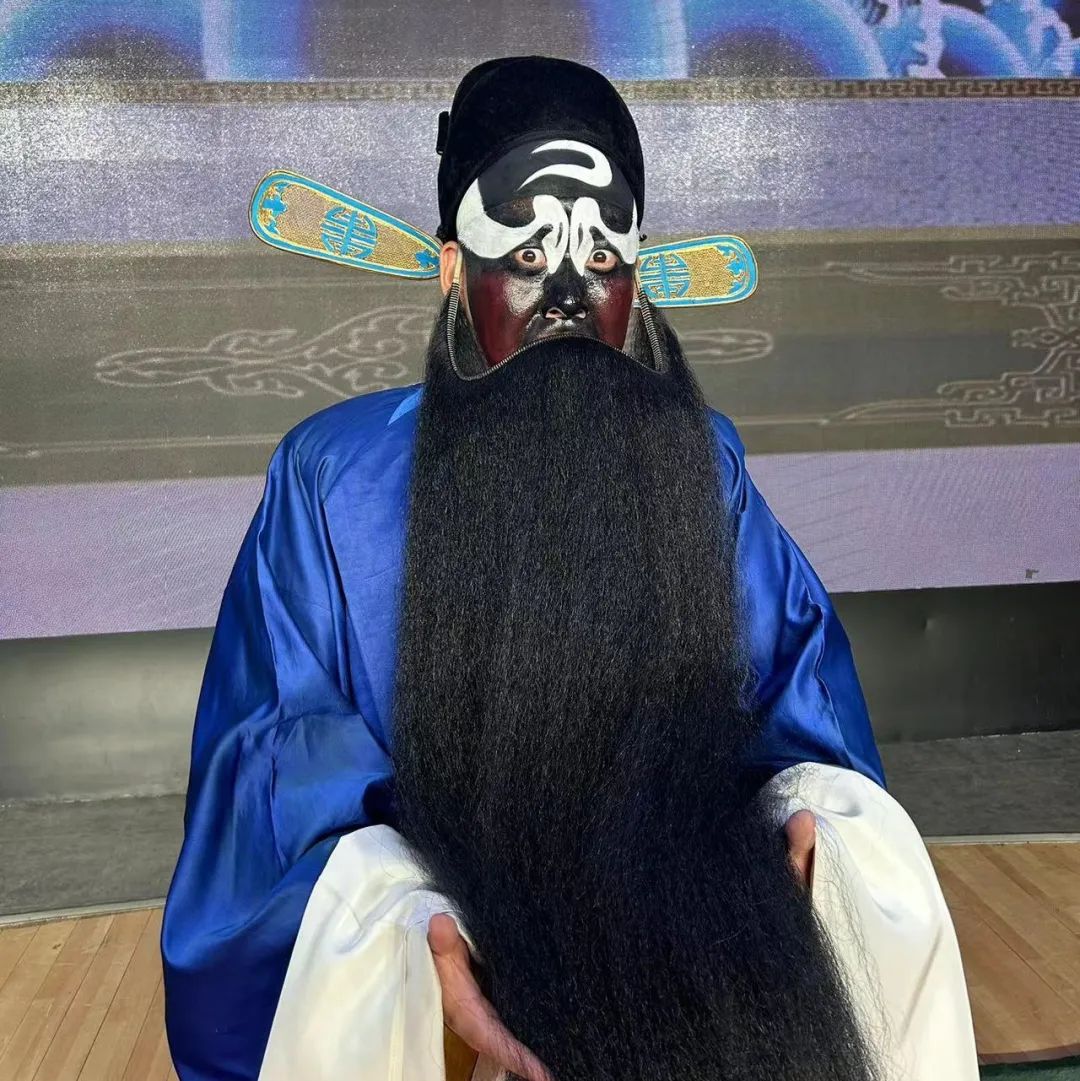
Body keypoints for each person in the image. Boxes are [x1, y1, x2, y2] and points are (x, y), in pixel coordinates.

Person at [162, 56, 974, 1081]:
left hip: (678, 942)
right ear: (451, 269)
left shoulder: (701, 463)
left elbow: (796, 703)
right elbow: (279, 762)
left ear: (638, 279)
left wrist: (815, 825)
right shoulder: (334, 482)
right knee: (362, 910)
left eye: (601, 252)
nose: (567, 292)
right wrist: (405, 924)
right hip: (452, 920)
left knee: (866, 844)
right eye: (527, 249)